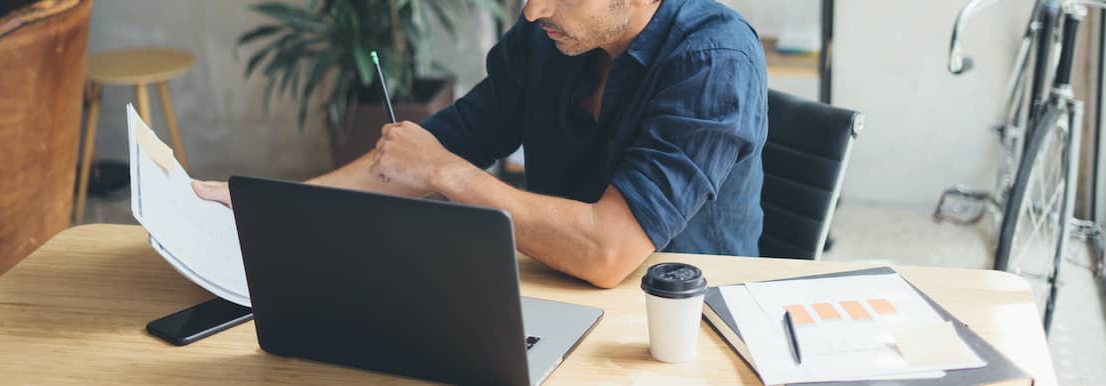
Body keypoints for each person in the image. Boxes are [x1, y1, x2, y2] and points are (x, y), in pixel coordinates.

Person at [194, 0, 767, 289]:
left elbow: (607, 251)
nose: (531, 10)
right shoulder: (549, 38)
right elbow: (437, 145)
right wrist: (271, 207)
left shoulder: (713, 62)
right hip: (554, 289)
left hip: (683, 321)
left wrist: (445, 173)